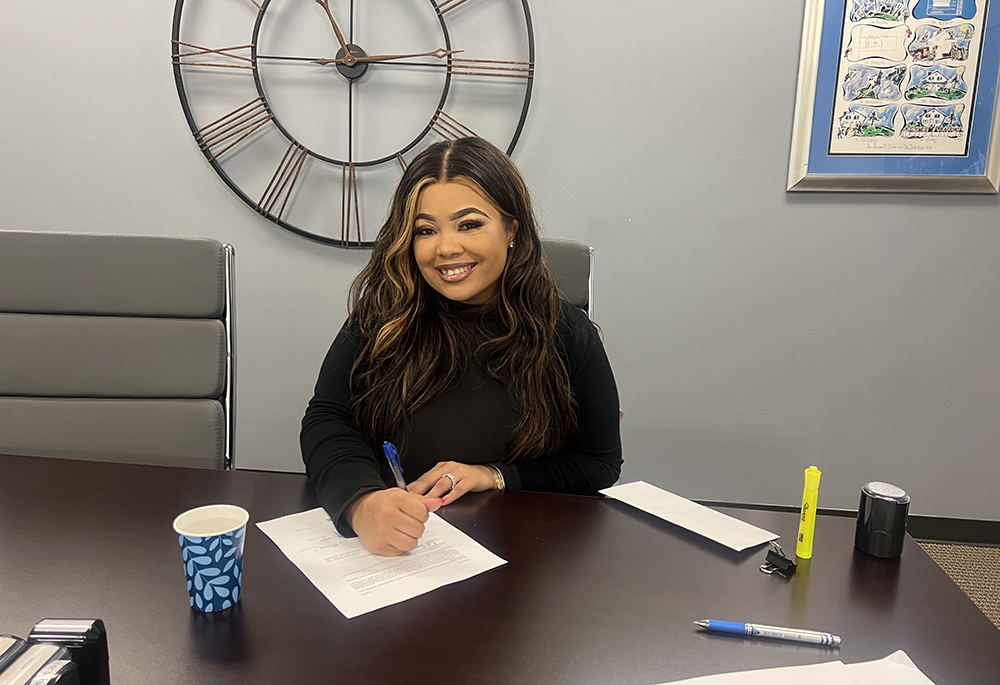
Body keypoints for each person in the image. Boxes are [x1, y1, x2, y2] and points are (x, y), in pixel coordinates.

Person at [301, 137, 622, 556]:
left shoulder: (567, 333)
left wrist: (495, 475)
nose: (446, 247)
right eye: (425, 230)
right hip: (395, 553)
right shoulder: (382, 316)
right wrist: (361, 503)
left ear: (511, 229)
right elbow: (328, 419)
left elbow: (598, 464)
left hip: (521, 558)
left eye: (469, 224)